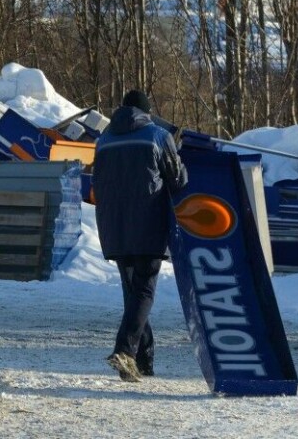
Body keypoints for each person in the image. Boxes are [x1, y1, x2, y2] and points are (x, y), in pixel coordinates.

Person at [92, 89, 188, 382]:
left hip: (114, 228)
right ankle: (125, 351)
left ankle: (143, 362)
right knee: (144, 292)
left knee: (133, 294)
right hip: (147, 224)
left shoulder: (103, 140)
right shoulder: (158, 136)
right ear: (147, 111)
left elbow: (97, 184)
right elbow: (178, 180)